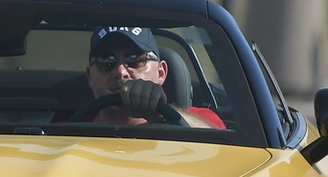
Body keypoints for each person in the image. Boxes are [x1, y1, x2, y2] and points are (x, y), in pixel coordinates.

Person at [82, 25, 224, 128]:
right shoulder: (67, 132)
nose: (120, 71)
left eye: (135, 59)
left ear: (161, 73)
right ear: (90, 77)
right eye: (107, 61)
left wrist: (160, 115)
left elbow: (219, 148)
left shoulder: (202, 119)